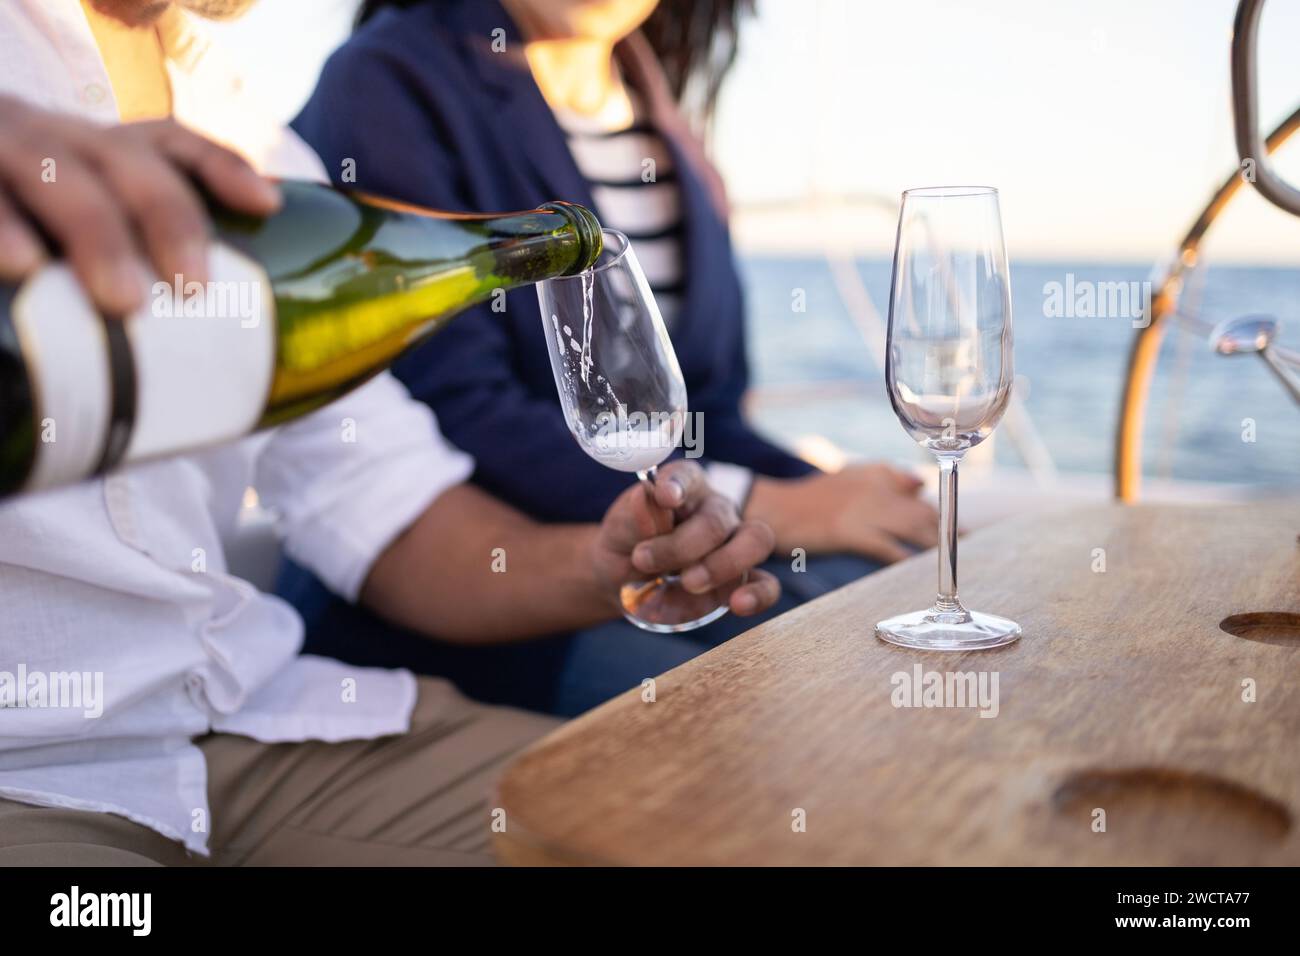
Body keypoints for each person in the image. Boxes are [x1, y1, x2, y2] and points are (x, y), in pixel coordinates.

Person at [0, 0, 778, 866]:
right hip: (27, 776)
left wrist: (610, 569)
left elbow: (387, 507)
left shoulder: (255, 147)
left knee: (727, 822)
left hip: (252, 729)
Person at [283, 0, 940, 714]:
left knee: (899, 609)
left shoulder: (669, 127)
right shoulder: (386, 80)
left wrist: (848, 500)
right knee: (795, 701)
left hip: (652, 561)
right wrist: (786, 508)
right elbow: (458, 410)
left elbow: (709, 411)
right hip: (473, 610)